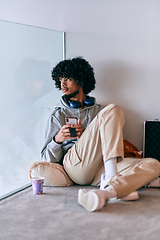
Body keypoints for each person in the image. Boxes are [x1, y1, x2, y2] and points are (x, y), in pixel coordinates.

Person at [41, 57, 160, 212]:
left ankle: (109, 191)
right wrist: (58, 139)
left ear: (81, 80)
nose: (62, 84)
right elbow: (45, 159)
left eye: (68, 79)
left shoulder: (101, 111)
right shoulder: (58, 115)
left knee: (154, 164)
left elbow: (111, 143)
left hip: (100, 167)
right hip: (75, 166)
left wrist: (91, 136)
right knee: (114, 109)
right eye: (60, 80)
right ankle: (112, 178)